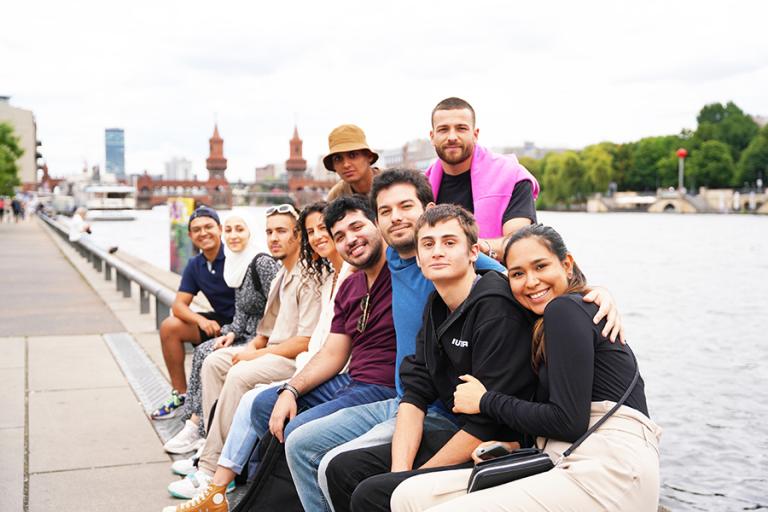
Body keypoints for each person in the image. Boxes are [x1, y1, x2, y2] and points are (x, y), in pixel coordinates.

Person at [281, 169, 515, 512]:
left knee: (337, 463)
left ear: (428, 208)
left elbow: (520, 275)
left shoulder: (451, 261)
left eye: (406, 206)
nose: (397, 217)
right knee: (300, 442)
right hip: (403, 396)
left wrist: (586, 293)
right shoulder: (394, 256)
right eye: (386, 211)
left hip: (441, 408)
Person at [390, 224, 661, 512]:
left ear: (567, 264)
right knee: (407, 496)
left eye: (540, 266)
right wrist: (514, 447)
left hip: (612, 466)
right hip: (564, 456)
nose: (531, 282)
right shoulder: (543, 320)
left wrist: (484, 401)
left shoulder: (565, 310)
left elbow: (569, 422)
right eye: (518, 274)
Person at [163, 196, 398, 511]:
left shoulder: (404, 270)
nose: (346, 239)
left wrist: (478, 255)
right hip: (345, 377)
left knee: (286, 424)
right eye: (338, 234)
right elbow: (331, 351)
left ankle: (223, 476)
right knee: (262, 404)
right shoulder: (347, 283)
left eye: (356, 227)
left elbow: (305, 341)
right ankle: (239, 475)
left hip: (378, 387)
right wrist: (291, 388)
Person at [324, 205, 537, 512]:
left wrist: (414, 481)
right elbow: (415, 394)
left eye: (449, 243)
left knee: (373, 494)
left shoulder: (497, 309)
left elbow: (487, 425)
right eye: (428, 244)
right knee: (343, 469)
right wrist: (401, 473)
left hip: (501, 446)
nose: (437, 251)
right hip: (460, 431)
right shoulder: (436, 305)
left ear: (473, 252)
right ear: (419, 258)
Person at [166, 203, 322, 499]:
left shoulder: (307, 276)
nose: (274, 238)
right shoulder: (281, 275)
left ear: (298, 236)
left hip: (294, 360)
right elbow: (265, 332)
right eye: (270, 232)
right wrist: (248, 347)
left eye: (282, 232)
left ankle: (214, 469)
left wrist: (253, 355)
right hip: (272, 350)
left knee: (239, 374)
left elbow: (305, 341)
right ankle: (209, 444)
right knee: (213, 361)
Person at [162, 213, 279, 454]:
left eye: (240, 229)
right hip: (235, 327)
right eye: (230, 230)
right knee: (183, 335)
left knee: (209, 354)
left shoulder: (256, 260)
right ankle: (193, 418)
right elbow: (180, 305)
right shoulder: (224, 262)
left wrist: (259, 340)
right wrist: (222, 329)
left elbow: (279, 306)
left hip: (261, 333)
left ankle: (201, 427)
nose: (234, 236)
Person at [426, 97, 539, 260]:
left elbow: (519, 242)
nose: (452, 137)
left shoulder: (512, 176)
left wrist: (474, 247)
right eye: (443, 129)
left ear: (475, 134)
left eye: (461, 128)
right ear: (432, 136)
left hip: (499, 280)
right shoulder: (421, 186)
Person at [152, 206, 236, 420]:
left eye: (209, 227)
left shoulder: (235, 256)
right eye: (196, 229)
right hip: (219, 323)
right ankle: (180, 394)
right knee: (170, 326)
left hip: (243, 326)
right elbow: (179, 305)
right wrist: (200, 320)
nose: (203, 233)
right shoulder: (195, 264)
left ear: (220, 229)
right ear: (190, 236)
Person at [324, 124, 381, 201]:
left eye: (352, 155)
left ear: (369, 156)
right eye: (338, 158)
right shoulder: (336, 197)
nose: (346, 165)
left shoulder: (394, 183)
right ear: (333, 166)